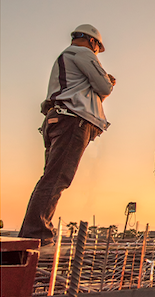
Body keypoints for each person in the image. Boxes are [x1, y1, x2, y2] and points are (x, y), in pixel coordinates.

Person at [19, 24, 116, 251]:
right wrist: (108, 82)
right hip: (72, 121)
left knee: (50, 178)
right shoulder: (82, 53)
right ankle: (37, 233)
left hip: (58, 119)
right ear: (93, 42)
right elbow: (103, 87)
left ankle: (32, 233)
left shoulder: (65, 58)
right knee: (57, 179)